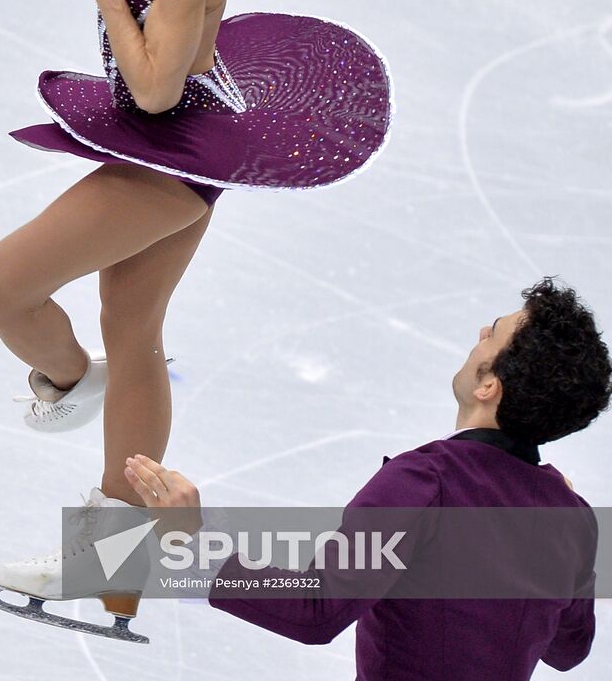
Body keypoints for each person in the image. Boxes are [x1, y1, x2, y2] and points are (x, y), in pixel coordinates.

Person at [0, 0, 392, 635]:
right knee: (137, 329)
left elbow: (157, 88)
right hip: (151, 124)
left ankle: (67, 382)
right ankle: (114, 572)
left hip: (177, 138)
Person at [128, 277, 612, 678]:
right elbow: (569, 651)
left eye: (494, 333)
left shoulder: (425, 481)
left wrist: (195, 541)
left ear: (489, 385)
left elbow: (316, 611)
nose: (481, 329)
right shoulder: (570, 518)